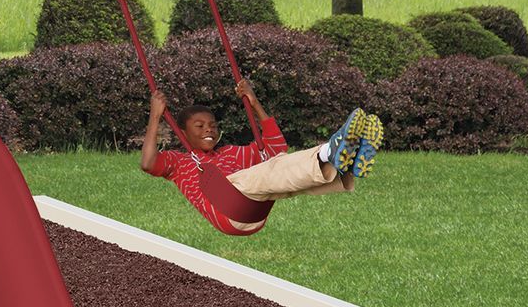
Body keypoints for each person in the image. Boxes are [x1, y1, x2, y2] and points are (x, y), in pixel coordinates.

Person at [141, 81, 385, 232]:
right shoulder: (179, 162)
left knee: (280, 174)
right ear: (183, 132)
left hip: (253, 214)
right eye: (200, 126)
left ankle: (345, 165)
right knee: (269, 173)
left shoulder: (232, 153)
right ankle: (329, 151)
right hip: (226, 208)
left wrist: (254, 102)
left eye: (213, 125)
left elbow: (276, 148)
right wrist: (155, 116)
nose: (209, 129)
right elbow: (148, 163)